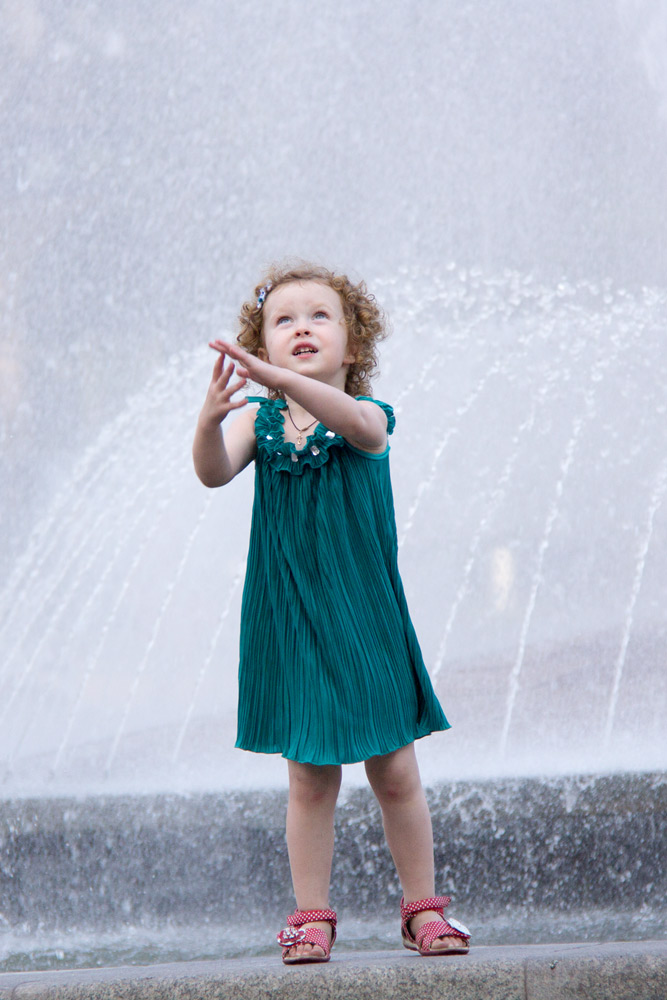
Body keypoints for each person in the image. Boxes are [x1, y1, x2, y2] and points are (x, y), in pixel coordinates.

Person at [192, 262, 470, 964]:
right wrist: (206, 421)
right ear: (263, 342)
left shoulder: (369, 417)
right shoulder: (261, 426)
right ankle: (311, 916)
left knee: (394, 772)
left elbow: (353, 425)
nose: (300, 328)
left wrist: (278, 378)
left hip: (365, 616)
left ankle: (421, 910)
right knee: (309, 777)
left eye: (319, 316)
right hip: (289, 618)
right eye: (282, 322)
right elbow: (212, 473)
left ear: (353, 345)